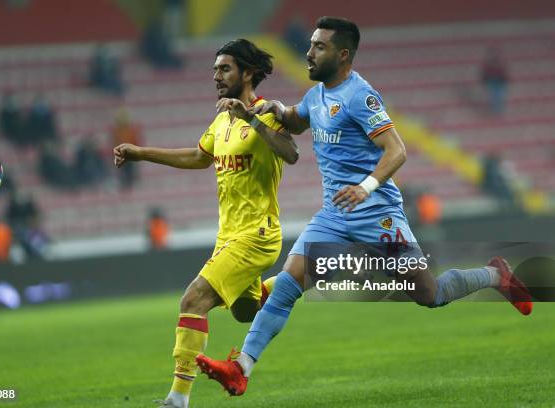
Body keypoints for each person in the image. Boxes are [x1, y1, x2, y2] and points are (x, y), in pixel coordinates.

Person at [196, 16, 533, 397]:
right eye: (309, 45)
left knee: (430, 295)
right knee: (288, 284)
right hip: (334, 216)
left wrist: (366, 186)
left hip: (378, 215)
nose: (308, 53)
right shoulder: (317, 95)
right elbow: (294, 119)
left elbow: (397, 150)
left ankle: (494, 275)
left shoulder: (360, 96)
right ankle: (241, 367)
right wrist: (268, 108)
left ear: (342, 55)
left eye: (318, 47)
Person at [113, 39, 298, 408]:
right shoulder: (220, 120)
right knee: (247, 312)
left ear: (247, 73)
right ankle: (296, 279)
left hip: (257, 235)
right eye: (214, 69)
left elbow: (290, 153)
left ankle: (177, 399)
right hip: (228, 236)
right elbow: (200, 157)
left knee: (193, 298)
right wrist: (141, 153)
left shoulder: (267, 113)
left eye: (224, 68)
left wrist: (249, 118)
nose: (215, 76)